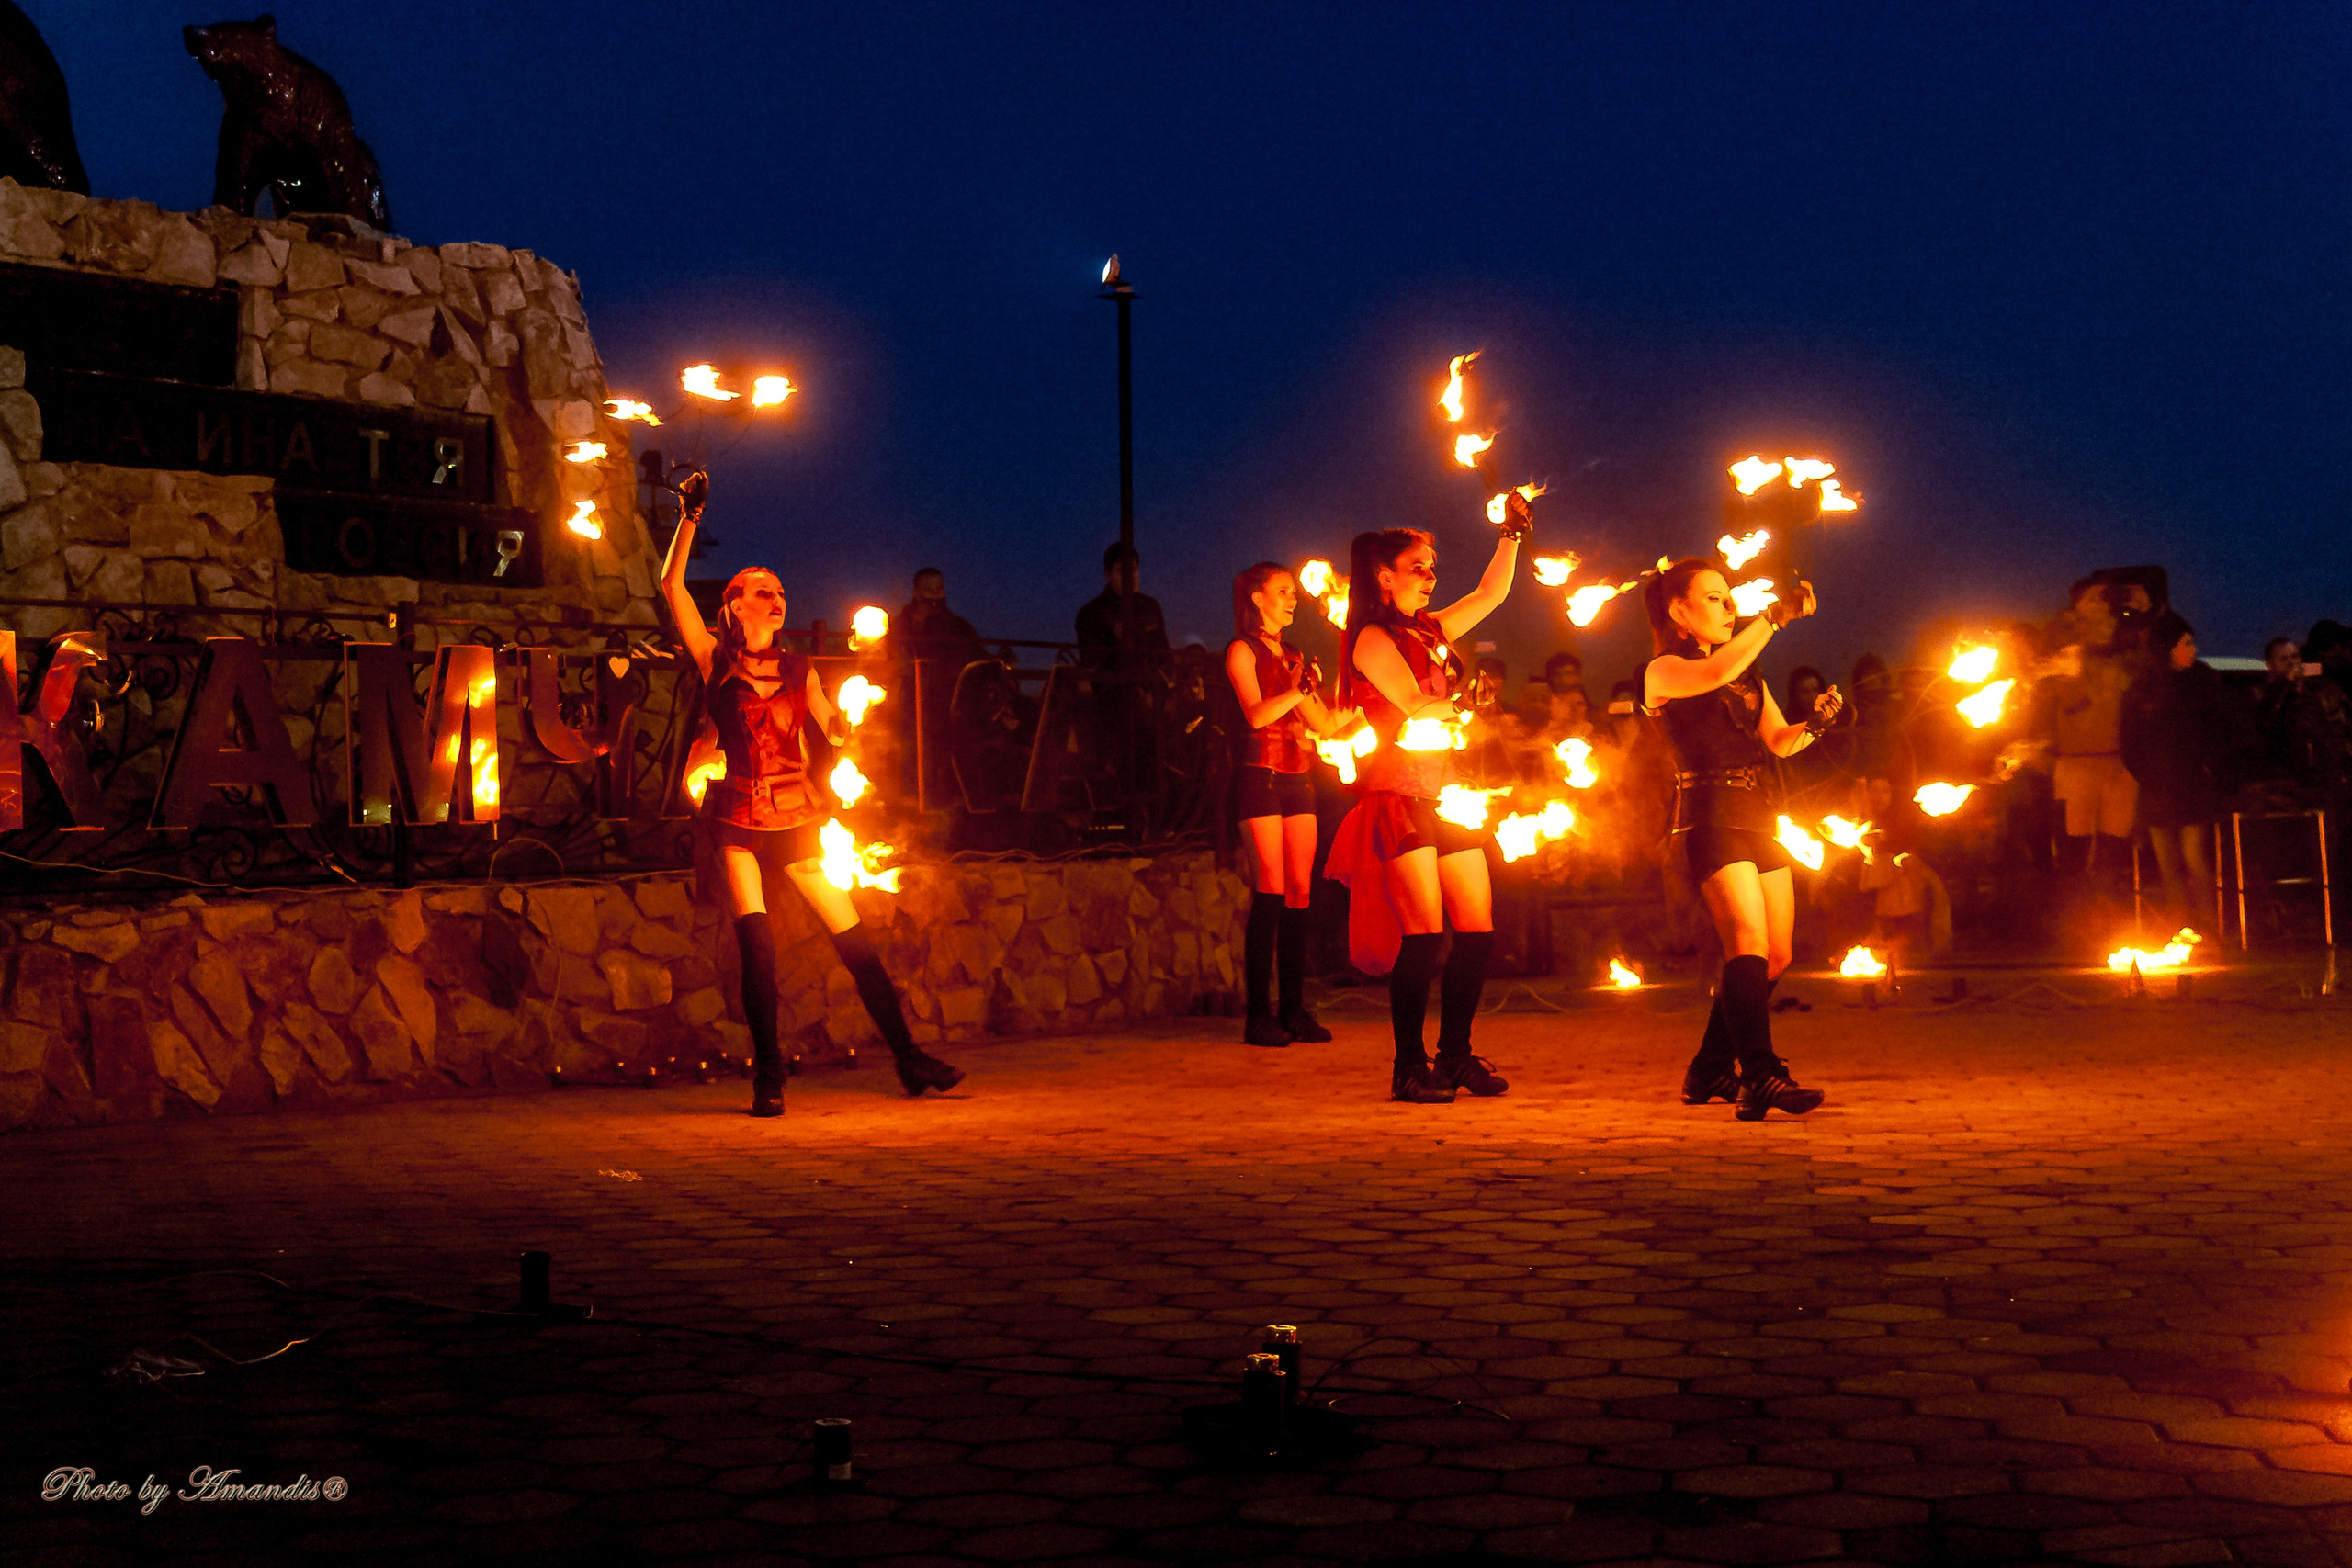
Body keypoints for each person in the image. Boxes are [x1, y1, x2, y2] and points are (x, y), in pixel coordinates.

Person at [659, 471, 964, 1118]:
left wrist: (849, 722)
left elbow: (829, 726)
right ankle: (768, 1080)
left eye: (780, 592)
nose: (775, 598)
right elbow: (670, 586)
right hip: (739, 822)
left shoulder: (801, 669)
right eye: (760, 590)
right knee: (759, 950)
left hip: (798, 819)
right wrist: (690, 518)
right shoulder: (714, 660)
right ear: (735, 604)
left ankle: (910, 1059)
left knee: (854, 940)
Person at [1323, 493, 1531, 1103]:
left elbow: (1490, 595)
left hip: (1449, 795)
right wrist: (1469, 704)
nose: (1433, 575)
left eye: (1434, 565)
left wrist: (1512, 534)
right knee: (1422, 933)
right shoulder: (1370, 639)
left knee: (1476, 926)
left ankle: (1456, 1054)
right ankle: (1408, 1066)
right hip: (1400, 797)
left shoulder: (1432, 628)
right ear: (1385, 576)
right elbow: (1417, 705)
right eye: (1421, 566)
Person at [1642, 559, 1842, 1120]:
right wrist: (1773, 618)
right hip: (1707, 817)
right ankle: (1760, 1075)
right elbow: (1712, 674)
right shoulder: (1662, 671)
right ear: (1679, 613)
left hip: (1757, 813)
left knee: (1777, 953)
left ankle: (1708, 1067)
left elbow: (1778, 741)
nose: (1730, 607)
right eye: (1714, 598)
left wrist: (1816, 724)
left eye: (1731, 597)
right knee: (1747, 938)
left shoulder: (1747, 672)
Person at [1225, 564, 1360, 1047]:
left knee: (1301, 890)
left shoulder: (1298, 656)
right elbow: (1258, 712)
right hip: (1259, 777)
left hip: (1299, 779)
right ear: (1258, 599)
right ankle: (1258, 1016)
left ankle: (1295, 1010)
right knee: (1272, 889)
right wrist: (1299, 690)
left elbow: (1325, 725)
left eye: (1294, 593)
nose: (1293, 600)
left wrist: (1365, 705)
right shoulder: (1242, 650)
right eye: (1283, 592)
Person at [2120, 611, 2231, 930]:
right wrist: (2149, 775)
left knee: (2194, 856)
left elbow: (2220, 730)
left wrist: (2210, 767)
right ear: (2168, 647)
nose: (2192, 650)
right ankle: (2182, 927)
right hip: (2159, 784)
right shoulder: (2142, 689)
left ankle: (2210, 927)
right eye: (2186, 643)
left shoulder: (2203, 682)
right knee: (2168, 862)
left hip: (2192, 781)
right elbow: (2129, 744)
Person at [893, 567, 983, 667]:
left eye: (939, 588)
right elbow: (894, 659)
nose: (935, 594)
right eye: (928, 589)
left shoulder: (961, 627)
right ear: (916, 593)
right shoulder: (900, 624)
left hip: (954, 681)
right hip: (914, 680)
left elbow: (979, 657)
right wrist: (916, 625)